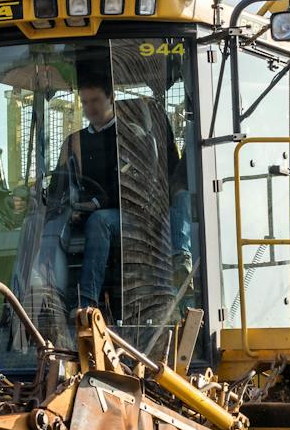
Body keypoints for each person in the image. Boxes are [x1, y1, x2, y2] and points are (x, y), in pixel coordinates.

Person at [57, 75, 191, 310]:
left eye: (96, 100)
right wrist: (64, 206)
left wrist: (97, 203)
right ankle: (45, 303)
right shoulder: (74, 142)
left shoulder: (132, 135)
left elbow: (140, 183)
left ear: (112, 98)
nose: (90, 108)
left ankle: (86, 303)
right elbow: (60, 183)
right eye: (85, 102)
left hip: (135, 216)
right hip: (91, 215)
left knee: (100, 221)